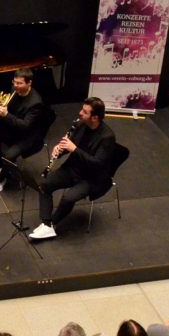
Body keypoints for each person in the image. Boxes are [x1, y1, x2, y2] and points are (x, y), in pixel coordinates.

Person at [29, 96, 115, 240]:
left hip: (91, 178)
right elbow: (70, 143)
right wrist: (60, 149)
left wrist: (74, 149)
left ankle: (52, 224)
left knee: (68, 198)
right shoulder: (81, 124)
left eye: (85, 112)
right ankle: (46, 224)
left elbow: (97, 164)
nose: (80, 113)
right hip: (73, 169)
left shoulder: (107, 137)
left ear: (94, 118)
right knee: (44, 184)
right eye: (82, 109)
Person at [0, 67, 52, 193]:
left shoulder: (36, 103)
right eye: (14, 82)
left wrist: (6, 115)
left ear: (29, 83)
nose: (15, 86)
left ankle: (2, 179)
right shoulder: (14, 90)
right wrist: (0, 109)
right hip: (11, 127)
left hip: (27, 136)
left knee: (9, 155)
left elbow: (25, 126)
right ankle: (1, 167)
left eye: (19, 83)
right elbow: (10, 110)